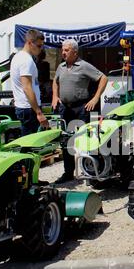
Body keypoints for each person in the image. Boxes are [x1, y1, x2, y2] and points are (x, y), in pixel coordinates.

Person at [52, 39, 108, 184]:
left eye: (66, 50)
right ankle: (68, 172)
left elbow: (103, 78)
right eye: (62, 50)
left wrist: (95, 98)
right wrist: (54, 96)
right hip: (65, 108)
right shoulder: (61, 67)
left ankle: (92, 172)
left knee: (88, 140)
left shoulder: (84, 66)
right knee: (67, 142)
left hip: (81, 107)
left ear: (75, 52)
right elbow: (55, 81)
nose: (63, 53)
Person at [10, 29, 49, 136]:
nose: (41, 49)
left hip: (27, 107)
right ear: (30, 43)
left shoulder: (20, 57)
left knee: (30, 143)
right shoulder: (25, 60)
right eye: (39, 46)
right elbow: (27, 87)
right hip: (28, 109)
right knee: (30, 144)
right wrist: (39, 112)